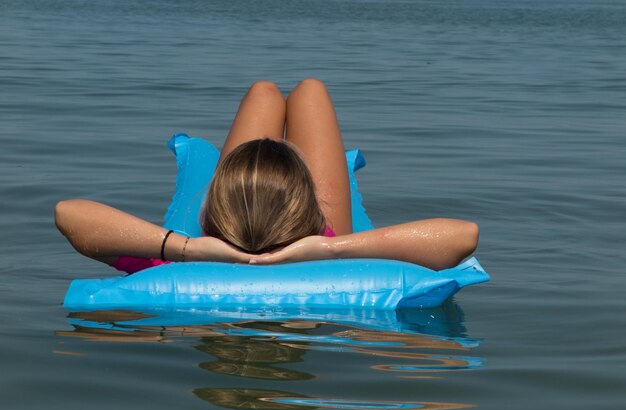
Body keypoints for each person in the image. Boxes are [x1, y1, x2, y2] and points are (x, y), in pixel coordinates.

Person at [55, 79, 479, 272]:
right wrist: (327, 250)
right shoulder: (328, 249)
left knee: (263, 91)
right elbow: (462, 236)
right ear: (313, 210)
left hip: (218, 244)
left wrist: (189, 249)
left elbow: (68, 213)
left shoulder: (171, 261)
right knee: (310, 90)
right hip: (316, 242)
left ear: (207, 215)